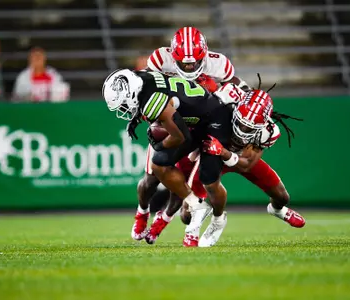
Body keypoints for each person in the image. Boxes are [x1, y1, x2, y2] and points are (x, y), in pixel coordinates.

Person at [132, 26, 250, 243]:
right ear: (173, 56)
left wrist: (242, 97)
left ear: (203, 55)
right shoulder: (160, 58)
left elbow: (241, 89)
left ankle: (164, 219)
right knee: (151, 178)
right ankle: (142, 211)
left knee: (182, 184)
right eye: (183, 62)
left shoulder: (218, 64)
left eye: (193, 62)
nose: (188, 66)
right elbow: (145, 89)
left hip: (201, 124)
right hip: (171, 121)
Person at [102, 68, 233, 245]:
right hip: (192, 117)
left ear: (132, 93)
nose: (124, 109)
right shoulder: (139, 77)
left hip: (212, 121)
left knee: (193, 174)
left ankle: (208, 213)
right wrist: (138, 118)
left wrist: (159, 145)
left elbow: (181, 137)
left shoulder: (152, 103)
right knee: (156, 169)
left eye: (125, 104)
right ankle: (192, 205)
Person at [178, 83, 306, 247]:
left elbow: (247, 164)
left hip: (235, 158)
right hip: (212, 155)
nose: (243, 130)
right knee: (186, 215)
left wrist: (223, 152)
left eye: (249, 128)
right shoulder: (225, 100)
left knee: (282, 197)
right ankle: (218, 220)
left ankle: (277, 210)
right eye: (241, 123)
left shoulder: (269, 131)